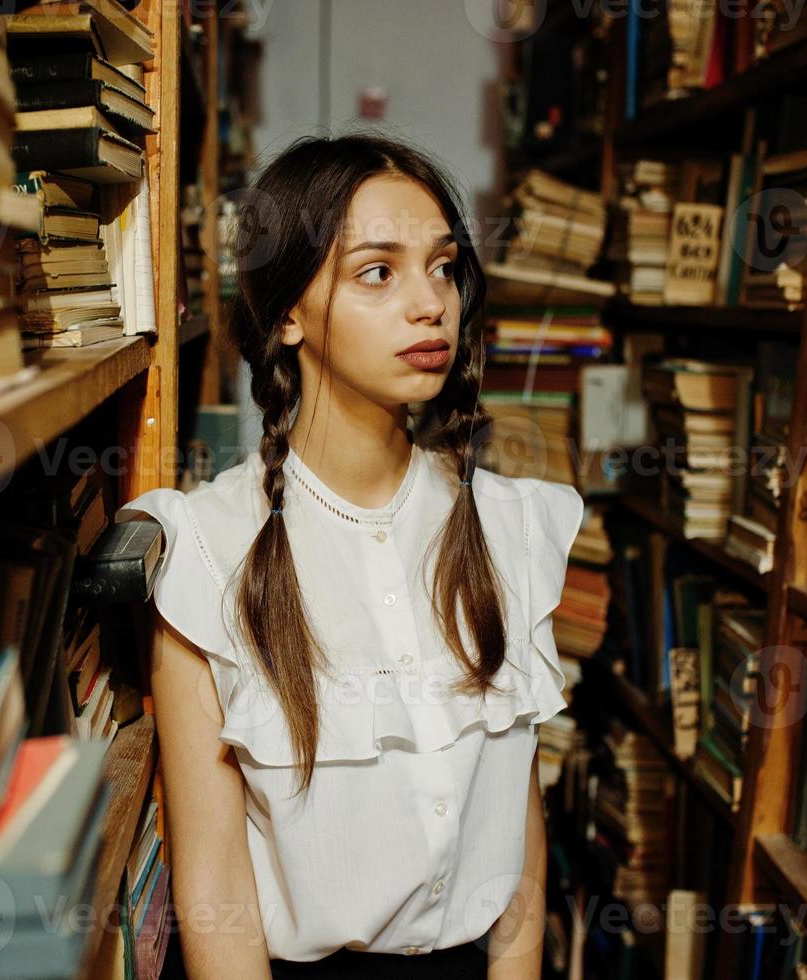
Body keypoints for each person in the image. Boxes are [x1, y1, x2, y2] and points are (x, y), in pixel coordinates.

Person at [117, 133, 582, 979]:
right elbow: (215, 889)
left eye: (441, 266)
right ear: (289, 312)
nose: (429, 303)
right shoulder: (207, 550)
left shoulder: (511, 528)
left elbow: (519, 841)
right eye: (378, 271)